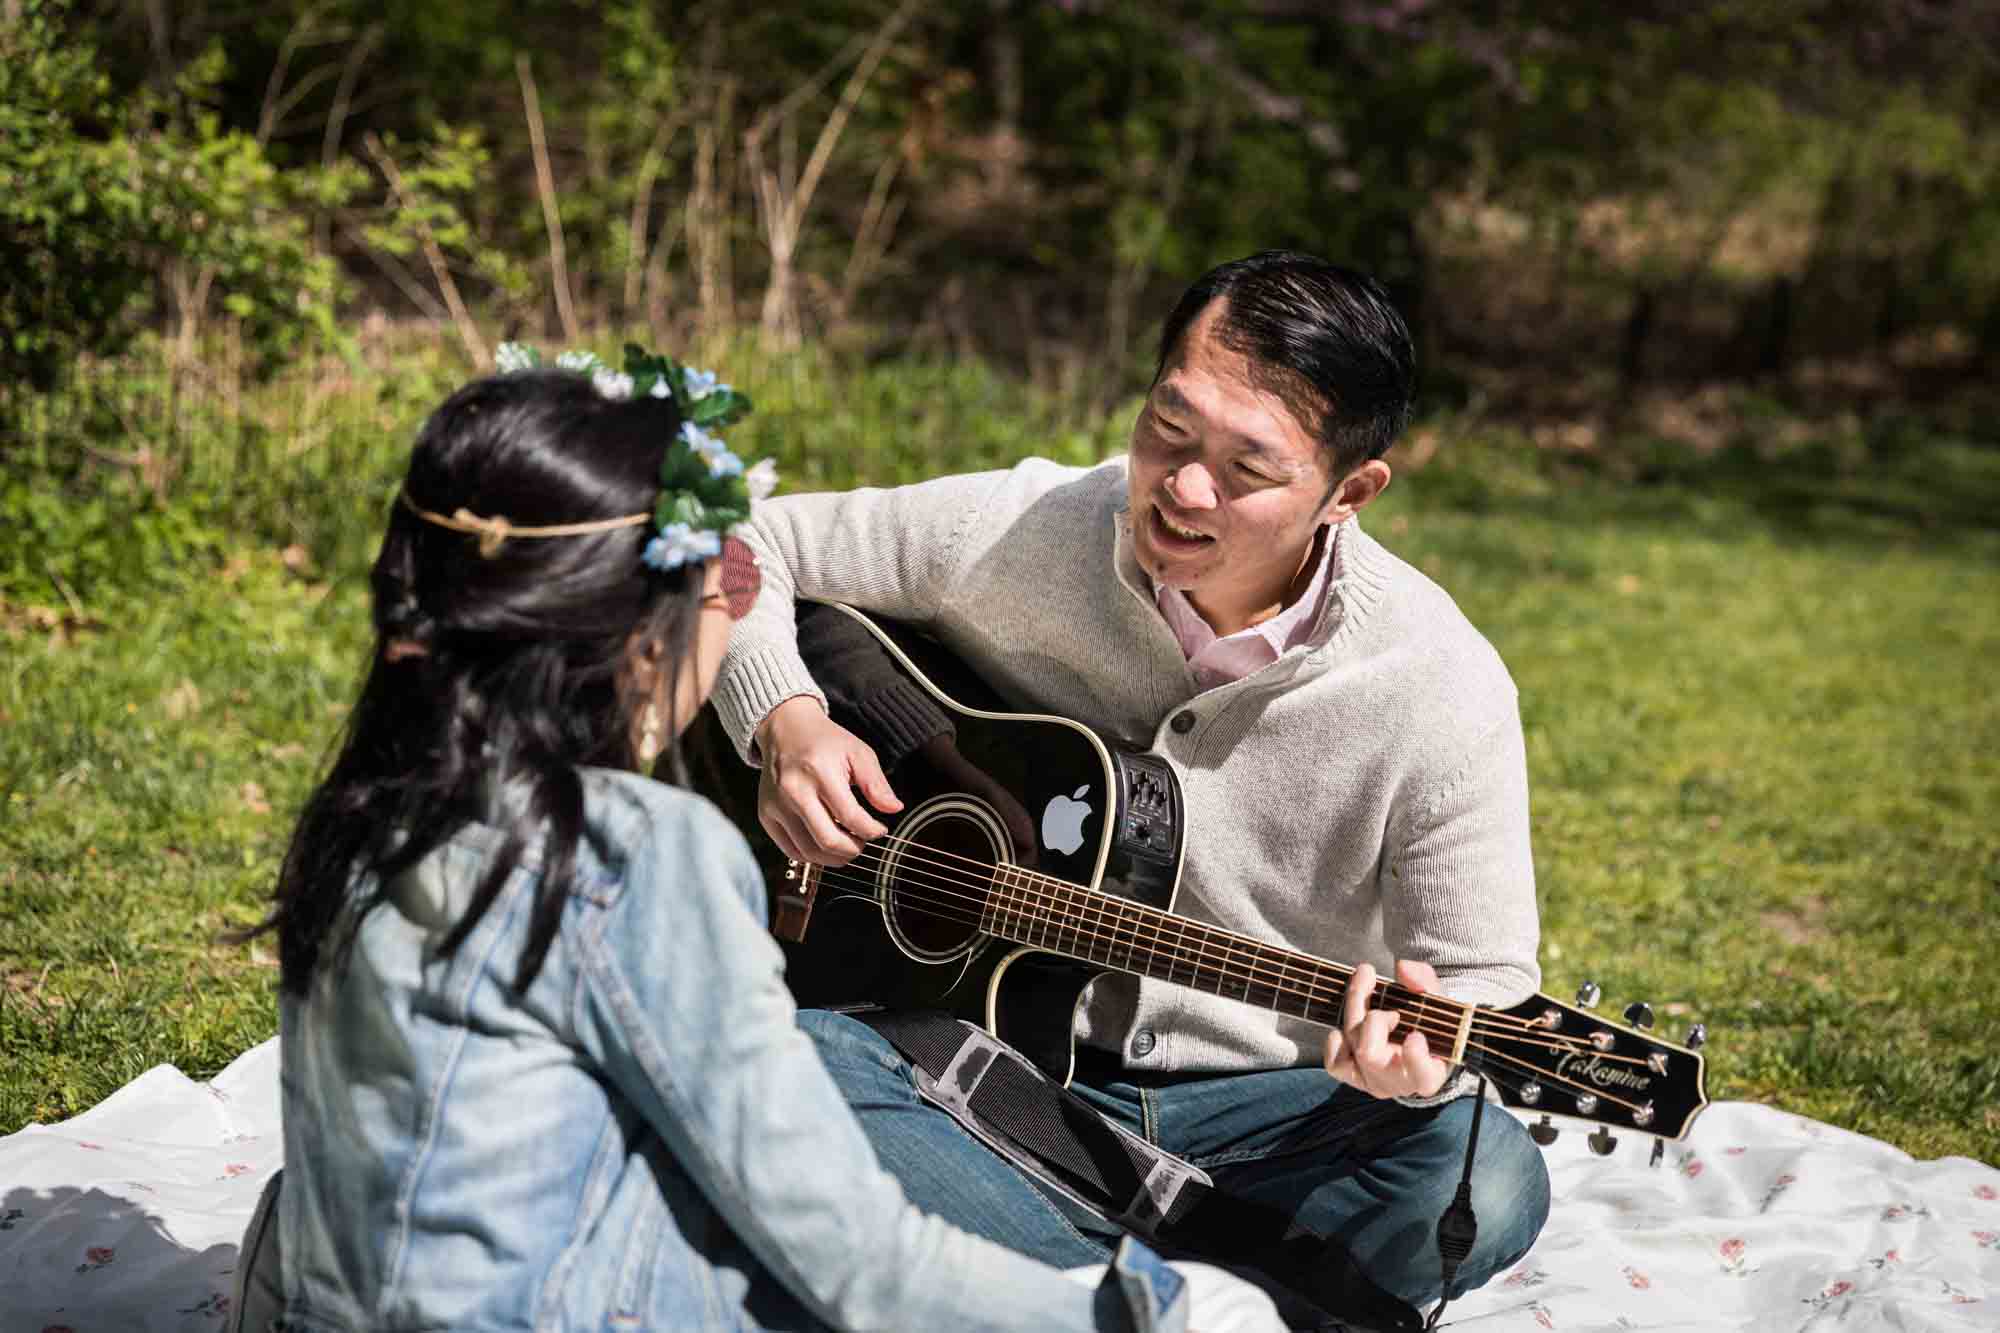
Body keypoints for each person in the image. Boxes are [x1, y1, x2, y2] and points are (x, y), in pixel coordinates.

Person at [228, 347, 1283, 1332]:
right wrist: (1145, 1310)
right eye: (727, 581)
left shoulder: (376, 798)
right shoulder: (630, 850)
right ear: (645, 636)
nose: (740, 605)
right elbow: (853, 1257)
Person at [707, 251, 1553, 1330]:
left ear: (1349, 491)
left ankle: (1054, 1274)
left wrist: (1409, 1078)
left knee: (1482, 1184)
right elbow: (736, 535)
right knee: (791, 1059)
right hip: (976, 1054)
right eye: (1167, 427)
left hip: (1262, 1110)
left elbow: (1479, 1002)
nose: (1182, 489)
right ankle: (1190, 1289)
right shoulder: (1022, 526)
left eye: (1248, 469)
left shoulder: (1439, 687)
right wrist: (784, 715)